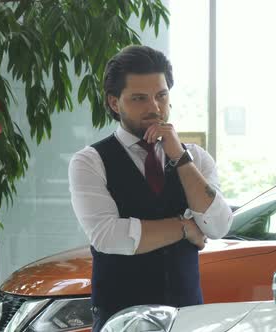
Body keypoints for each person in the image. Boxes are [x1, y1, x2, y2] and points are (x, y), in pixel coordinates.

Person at [68, 45, 233, 332]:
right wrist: (184, 228)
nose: (154, 108)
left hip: (188, 319)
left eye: (161, 95)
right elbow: (108, 236)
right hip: (120, 321)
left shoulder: (195, 158)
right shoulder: (90, 161)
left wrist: (179, 157)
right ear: (114, 103)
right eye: (139, 98)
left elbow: (218, 225)